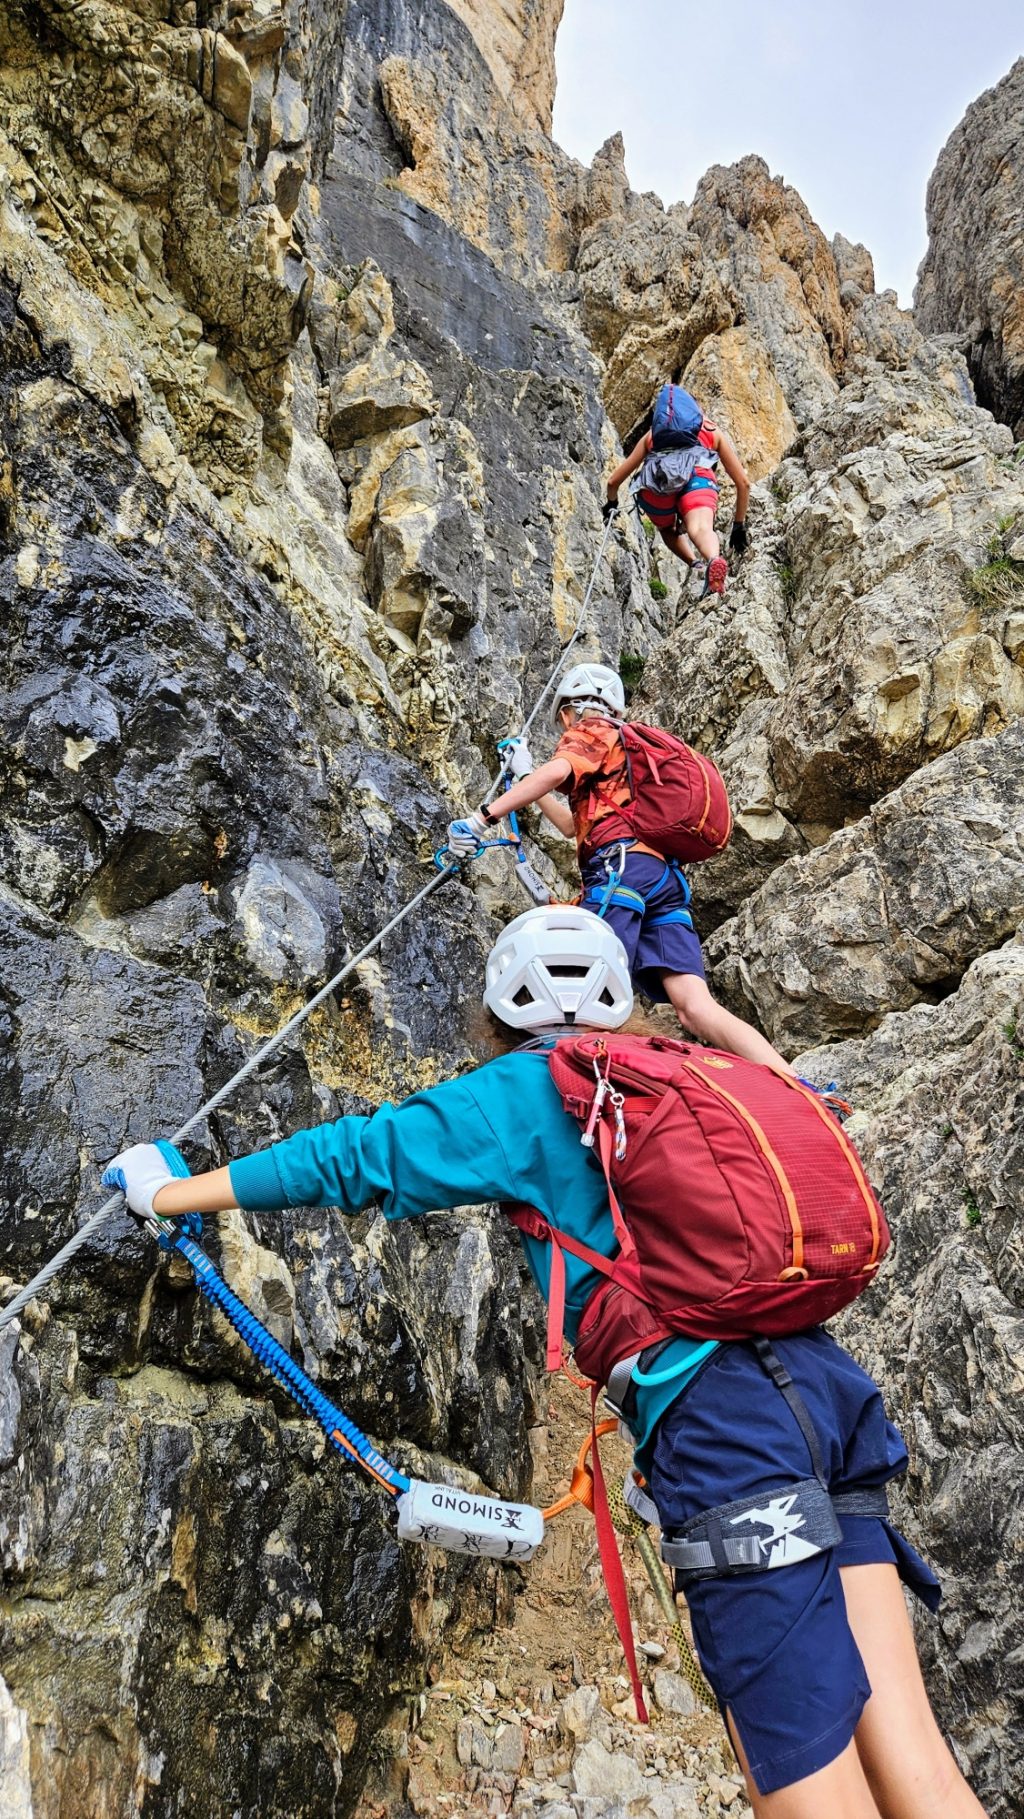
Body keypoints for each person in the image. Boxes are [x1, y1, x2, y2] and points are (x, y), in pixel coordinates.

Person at [104, 907, 987, 1819]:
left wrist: (167, 1191)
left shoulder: (528, 1091)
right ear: (623, 999)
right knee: (919, 1767)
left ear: (498, 1009)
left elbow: (353, 1158)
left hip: (727, 1432)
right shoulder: (698, 1068)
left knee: (812, 1792)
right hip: (830, 1392)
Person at [447, 662, 792, 1074]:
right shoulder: (627, 755)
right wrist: (524, 774)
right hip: (663, 879)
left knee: (581, 987)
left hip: (621, 868)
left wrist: (482, 818)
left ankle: (586, 1092)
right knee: (696, 1008)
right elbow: (573, 827)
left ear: (565, 714)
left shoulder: (589, 729)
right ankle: (796, 1084)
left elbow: (558, 771)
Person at [604, 390, 750, 597]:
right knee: (700, 528)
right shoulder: (711, 431)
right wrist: (738, 525)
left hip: (658, 490)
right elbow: (743, 483)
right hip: (697, 480)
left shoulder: (654, 435)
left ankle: (695, 563)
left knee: (666, 529)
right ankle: (713, 560)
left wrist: (611, 504)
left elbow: (613, 481)